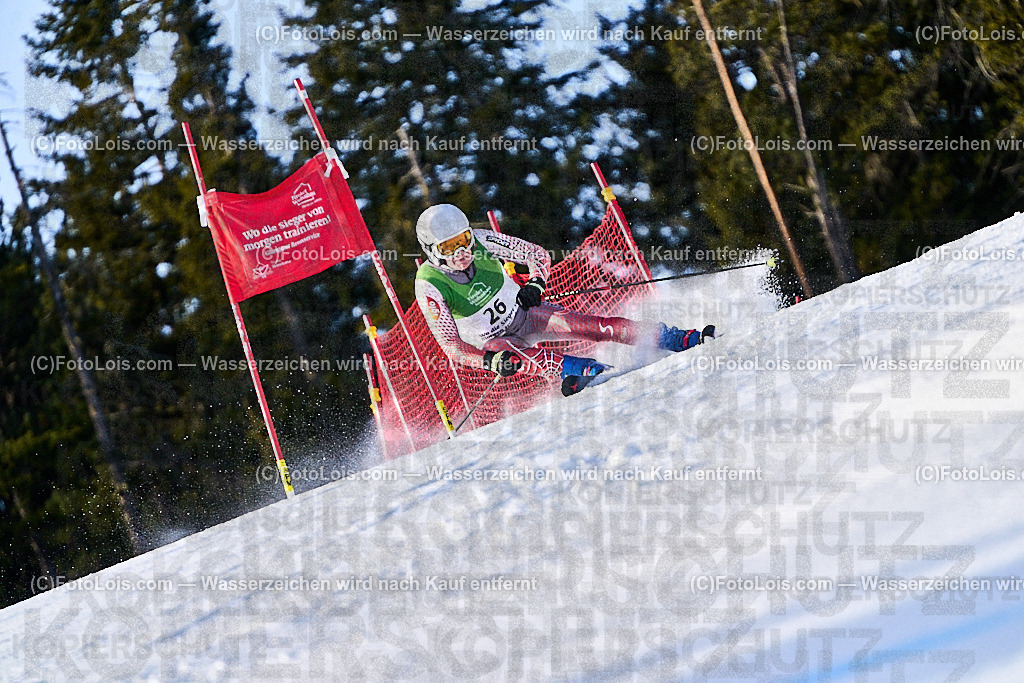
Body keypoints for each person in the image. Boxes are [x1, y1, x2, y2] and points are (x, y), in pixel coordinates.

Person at [413, 204, 714, 396]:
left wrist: (535, 283)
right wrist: (489, 362)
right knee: (511, 355)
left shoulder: (482, 240)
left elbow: (536, 254)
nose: (462, 251)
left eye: (463, 240)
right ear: (431, 249)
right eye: (450, 246)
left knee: (593, 326)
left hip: (527, 316)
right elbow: (451, 347)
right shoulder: (429, 285)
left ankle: (673, 337)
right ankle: (583, 370)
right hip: (495, 342)